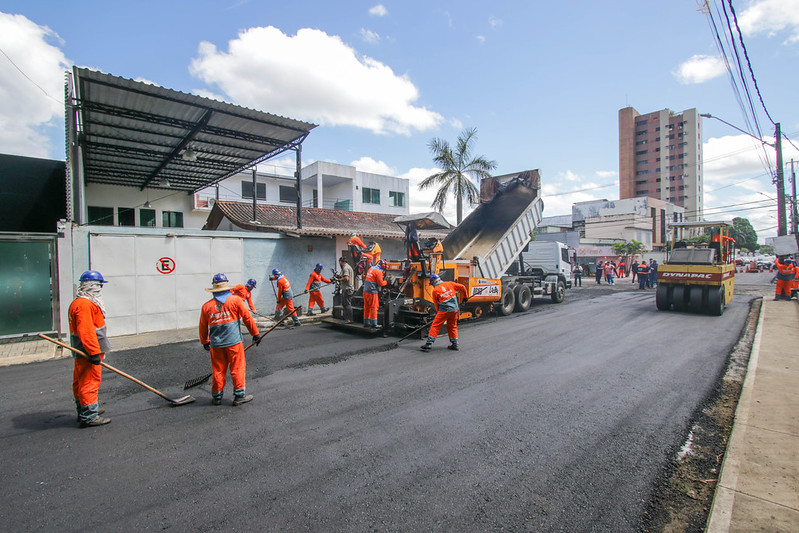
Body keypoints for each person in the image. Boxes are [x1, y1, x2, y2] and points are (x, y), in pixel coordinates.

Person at [199, 273, 260, 406]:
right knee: (237, 368)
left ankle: (217, 397)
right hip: (234, 343)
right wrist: (255, 334)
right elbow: (247, 318)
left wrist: (204, 341)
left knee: (218, 370)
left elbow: (203, 326)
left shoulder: (206, 306)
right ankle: (239, 396)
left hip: (216, 345)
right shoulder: (236, 301)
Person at [69, 270, 112, 428]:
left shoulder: (81, 302)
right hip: (87, 351)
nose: (101, 289)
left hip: (83, 350)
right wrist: (93, 352)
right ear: (93, 286)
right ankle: (89, 415)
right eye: (100, 285)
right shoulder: (84, 305)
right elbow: (86, 331)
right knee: (89, 381)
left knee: (81, 381)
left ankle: (85, 409)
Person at [421, 274, 468, 352]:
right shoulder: (449, 284)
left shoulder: (435, 291)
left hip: (444, 311)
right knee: (452, 326)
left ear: (433, 282)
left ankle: (429, 344)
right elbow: (462, 287)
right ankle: (455, 344)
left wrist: (438, 314)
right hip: (454, 310)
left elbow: (436, 304)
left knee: (435, 326)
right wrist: (465, 297)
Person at [362, 259, 388, 328]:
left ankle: (366, 322)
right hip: (372, 292)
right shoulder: (378, 272)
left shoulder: (371, 268)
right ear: (383, 266)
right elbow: (381, 283)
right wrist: (386, 281)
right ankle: (373, 324)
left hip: (365, 291)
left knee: (367, 307)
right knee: (374, 307)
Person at [334, 256, 355, 323]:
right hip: (347, 288)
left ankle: (349, 319)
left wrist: (338, 279)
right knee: (344, 304)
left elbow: (346, 278)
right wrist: (339, 276)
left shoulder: (345, 268)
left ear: (341, 262)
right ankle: (347, 318)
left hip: (347, 289)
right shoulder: (347, 267)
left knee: (347, 304)